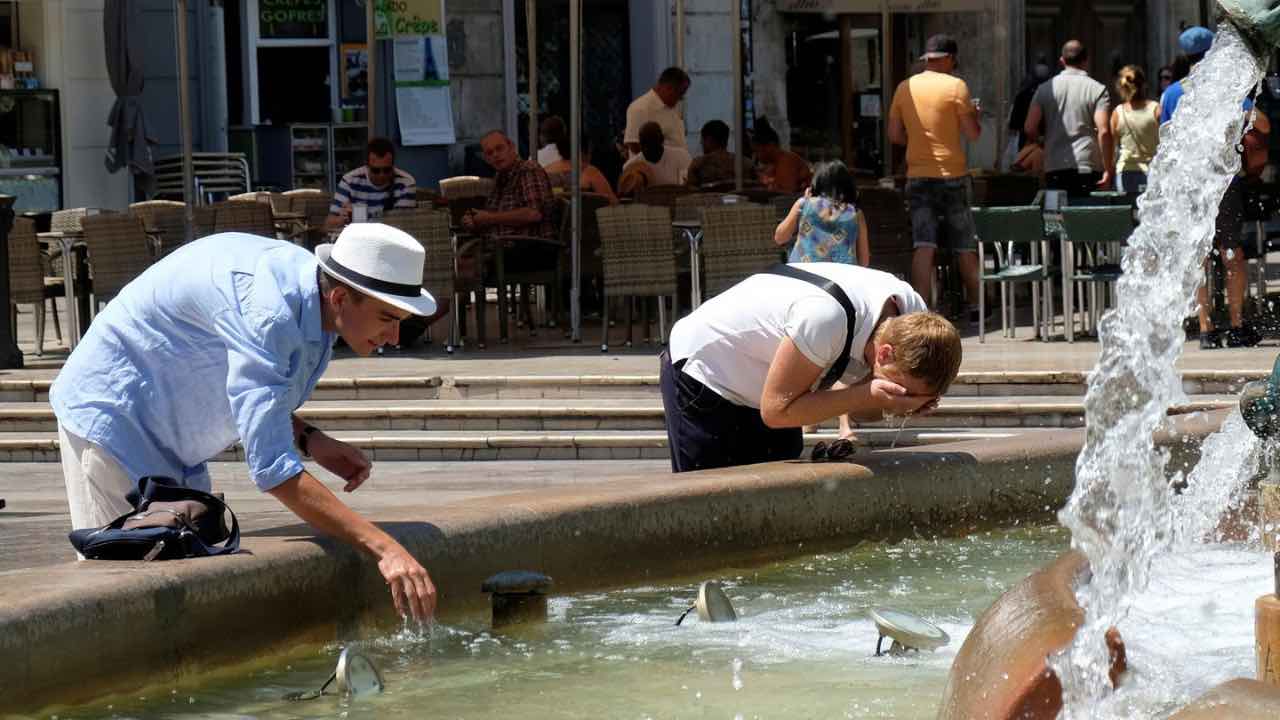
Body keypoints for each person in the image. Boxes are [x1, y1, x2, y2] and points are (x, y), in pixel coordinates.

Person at [50, 224, 440, 621]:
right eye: (387, 318)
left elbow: (259, 397)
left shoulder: (314, 302)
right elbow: (273, 470)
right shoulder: (269, 311)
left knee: (176, 601)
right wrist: (385, 548)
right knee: (123, 606)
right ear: (340, 297)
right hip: (112, 419)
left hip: (170, 435)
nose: (393, 336)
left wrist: (309, 438)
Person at [662, 262, 961, 473]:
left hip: (780, 386)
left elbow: (859, 410)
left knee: (780, 503)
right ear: (884, 354)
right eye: (904, 390)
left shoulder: (914, 319)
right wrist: (868, 394)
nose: (901, 396)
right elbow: (776, 410)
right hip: (706, 372)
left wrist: (892, 403)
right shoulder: (824, 320)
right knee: (713, 505)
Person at [1161, 26, 1270, 349]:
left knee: (1198, 256)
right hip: (1223, 182)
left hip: (1188, 182)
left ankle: (1206, 329)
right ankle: (1236, 325)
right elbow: (1262, 123)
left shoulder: (1171, 94)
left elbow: (1164, 138)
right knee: (1231, 250)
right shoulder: (1227, 90)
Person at [887, 33, 983, 324]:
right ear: (949, 59)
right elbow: (973, 133)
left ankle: (920, 312)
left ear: (927, 59)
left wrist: (916, 141)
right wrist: (973, 114)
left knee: (924, 244)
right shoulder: (957, 87)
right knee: (964, 244)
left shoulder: (904, 88)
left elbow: (893, 135)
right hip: (953, 175)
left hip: (918, 175)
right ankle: (978, 307)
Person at [1023, 40, 1114, 198]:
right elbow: (1104, 131)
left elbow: (1029, 127)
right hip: (1087, 165)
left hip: (1055, 167)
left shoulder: (1045, 89)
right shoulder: (1097, 89)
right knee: (1085, 217)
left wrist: (1044, 142)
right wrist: (1108, 168)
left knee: (1057, 219)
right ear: (1086, 60)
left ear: (1062, 61)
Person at [464, 130, 558, 240]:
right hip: (499, 248)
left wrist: (488, 218)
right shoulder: (500, 176)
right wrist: (474, 220)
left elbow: (533, 214)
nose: (495, 155)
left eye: (499, 148)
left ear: (512, 147)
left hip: (528, 249)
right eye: (490, 153)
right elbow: (494, 216)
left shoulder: (528, 170)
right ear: (486, 159)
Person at [774, 160, 869, 267]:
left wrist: (803, 205)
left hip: (803, 275)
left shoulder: (804, 204)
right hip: (840, 279)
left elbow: (780, 238)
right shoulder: (856, 213)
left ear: (818, 182)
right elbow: (864, 261)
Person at [326, 137, 416, 231]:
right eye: (376, 170)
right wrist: (343, 219)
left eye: (387, 170)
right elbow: (327, 225)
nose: (382, 175)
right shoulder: (349, 181)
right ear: (367, 166)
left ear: (393, 165)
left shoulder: (405, 183)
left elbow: (402, 225)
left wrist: (359, 218)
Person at [1111, 64, 1159, 194]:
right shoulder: (1155, 109)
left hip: (1124, 172)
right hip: (1151, 172)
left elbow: (1113, 148)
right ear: (1143, 84)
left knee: (1126, 212)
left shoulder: (1118, 112)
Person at [624, 67, 690, 155]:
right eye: (680, 93)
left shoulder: (675, 107)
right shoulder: (640, 108)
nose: (681, 98)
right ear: (668, 88)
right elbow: (634, 145)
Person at [545, 132, 619, 204]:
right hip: (585, 215)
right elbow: (612, 200)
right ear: (582, 152)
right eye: (590, 151)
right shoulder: (589, 171)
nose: (590, 156)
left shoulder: (545, 170)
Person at [618, 122, 692, 193]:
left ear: (662, 140)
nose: (648, 149)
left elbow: (688, 186)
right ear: (639, 144)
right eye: (644, 144)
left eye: (652, 144)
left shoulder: (681, 156)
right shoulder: (631, 167)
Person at [686, 119, 755, 188]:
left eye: (702, 140)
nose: (701, 144)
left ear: (709, 140)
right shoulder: (746, 163)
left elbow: (691, 194)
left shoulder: (698, 165)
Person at [752, 118, 812, 193]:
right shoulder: (774, 165)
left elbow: (786, 193)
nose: (756, 155)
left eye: (758, 151)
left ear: (770, 146)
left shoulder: (787, 161)